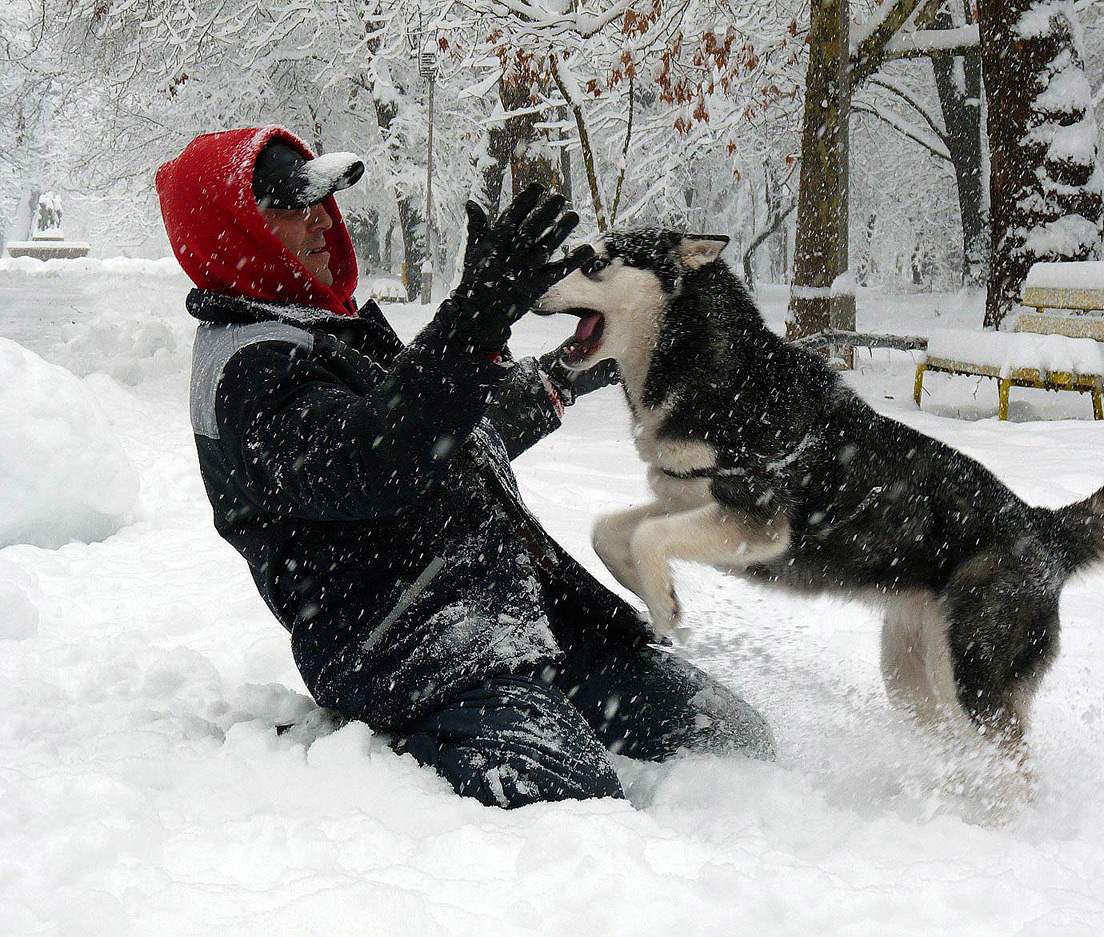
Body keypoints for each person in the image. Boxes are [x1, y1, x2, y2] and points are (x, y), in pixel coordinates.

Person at [156, 126, 774, 809]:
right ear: (234, 233)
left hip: (517, 613)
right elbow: (377, 458)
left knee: (731, 737)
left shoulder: (320, 326)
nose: (318, 223)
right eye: (289, 208)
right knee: (572, 807)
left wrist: (562, 371)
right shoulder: (249, 369)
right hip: (409, 648)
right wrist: (472, 316)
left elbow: (448, 433)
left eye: (319, 202)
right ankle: (399, 759)